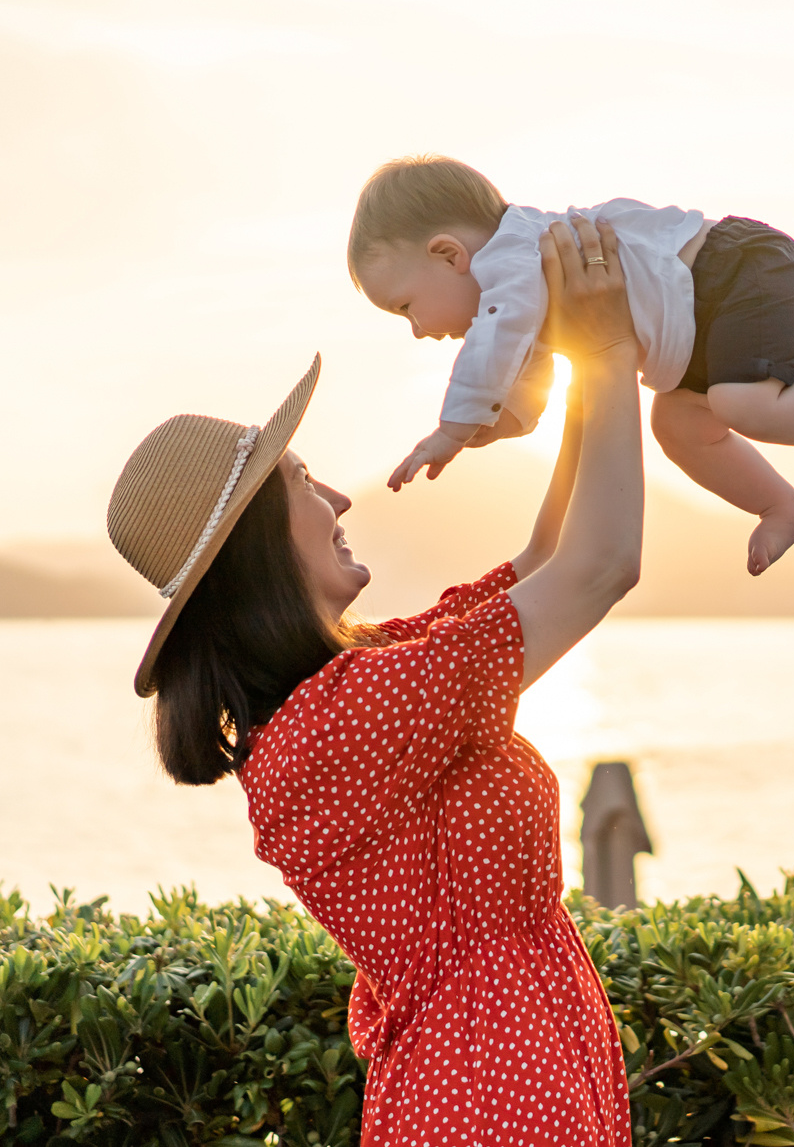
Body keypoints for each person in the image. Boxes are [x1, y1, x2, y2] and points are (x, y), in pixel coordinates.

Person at [104, 219, 643, 1146]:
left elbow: (546, 559)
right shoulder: (350, 717)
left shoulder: (357, 686)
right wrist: (612, 347)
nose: (340, 499)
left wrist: (574, 355)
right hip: (491, 1091)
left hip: (506, 1069)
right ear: (259, 550)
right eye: (307, 485)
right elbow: (601, 567)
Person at [346, 154, 794, 576]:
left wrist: (451, 428)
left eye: (405, 307)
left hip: (741, 277)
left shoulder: (515, 256)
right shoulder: (524, 285)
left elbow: (497, 335)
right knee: (675, 425)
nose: (418, 330)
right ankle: (780, 507)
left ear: (449, 255)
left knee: (738, 401)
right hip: (695, 345)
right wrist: (497, 422)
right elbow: (527, 366)